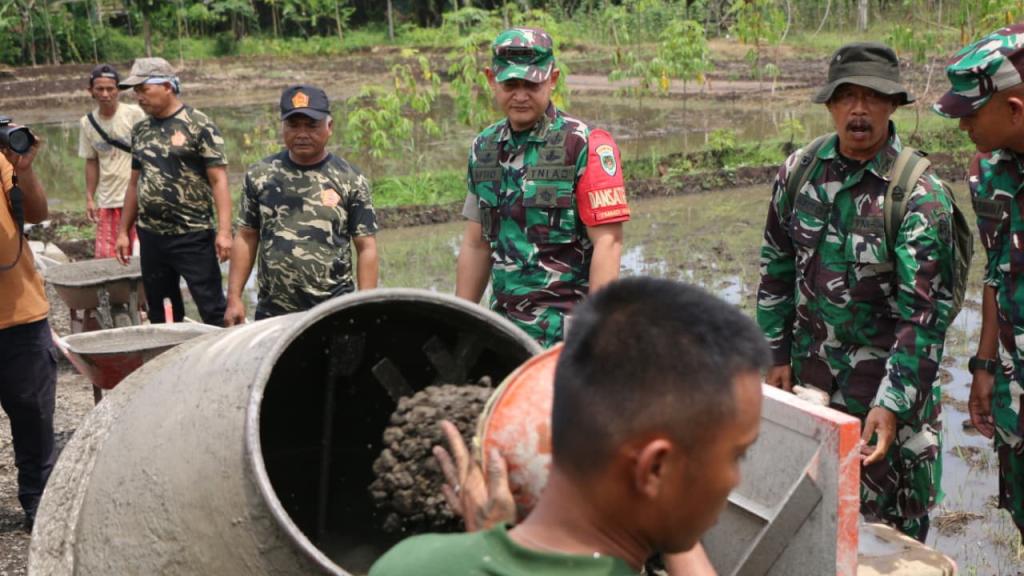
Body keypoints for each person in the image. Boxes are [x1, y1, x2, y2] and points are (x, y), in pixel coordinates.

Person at [370, 277, 767, 575]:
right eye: (737, 454)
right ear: (655, 469)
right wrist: (673, 516)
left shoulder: (406, 564)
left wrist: (487, 544)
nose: (734, 480)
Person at [756, 42, 956, 541]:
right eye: (848, 97)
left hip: (883, 403)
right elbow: (776, 269)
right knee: (807, 527)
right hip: (811, 389)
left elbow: (924, 318)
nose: (859, 110)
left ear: (893, 105)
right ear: (830, 104)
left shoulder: (918, 195)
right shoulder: (799, 173)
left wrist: (892, 402)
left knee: (886, 542)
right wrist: (774, 352)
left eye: (873, 97)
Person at [455, 28, 629, 348]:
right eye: (510, 84)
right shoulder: (484, 148)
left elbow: (609, 243)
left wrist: (598, 333)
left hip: (567, 335)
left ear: (553, 78)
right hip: (503, 332)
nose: (520, 95)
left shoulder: (584, 144)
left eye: (531, 84)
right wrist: (460, 322)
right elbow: (476, 243)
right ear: (491, 79)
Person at [933, 23, 1024, 542]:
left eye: (971, 114)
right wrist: (985, 366)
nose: (963, 125)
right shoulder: (987, 171)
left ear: (1014, 111)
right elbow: (996, 269)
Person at [223, 85, 378, 324]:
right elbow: (246, 236)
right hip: (273, 311)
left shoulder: (350, 179)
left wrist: (366, 305)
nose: (302, 133)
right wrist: (234, 297)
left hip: (334, 307)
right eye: (293, 125)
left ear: (329, 127)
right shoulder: (260, 174)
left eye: (312, 125)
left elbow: (366, 246)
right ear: (283, 127)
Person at [114, 57, 231, 326]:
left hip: (192, 234)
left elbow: (219, 181)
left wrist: (224, 232)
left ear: (167, 86)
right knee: (161, 311)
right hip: (152, 236)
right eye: (136, 91)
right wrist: (123, 231)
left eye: (144, 89)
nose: (139, 97)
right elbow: (135, 182)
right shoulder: (141, 129)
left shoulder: (199, 124)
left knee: (212, 307)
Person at [0, 134, 55, 532]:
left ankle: (40, 501)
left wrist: (24, 170)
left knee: (34, 417)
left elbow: (36, 212)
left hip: (20, 314)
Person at [78, 64, 145, 259]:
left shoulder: (134, 114)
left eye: (110, 88)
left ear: (119, 90)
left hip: (137, 197)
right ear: (91, 91)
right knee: (109, 257)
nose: (105, 94)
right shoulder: (87, 122)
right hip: (108, 199)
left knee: (142, 255)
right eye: (100, 89)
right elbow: (92, 161)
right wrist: (90, 197)